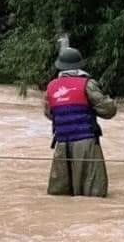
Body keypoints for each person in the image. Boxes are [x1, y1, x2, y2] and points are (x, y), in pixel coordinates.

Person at [44, 46, 117, 197]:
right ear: (79, 65)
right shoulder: (88, 84)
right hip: (85, 144)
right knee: (92, 191)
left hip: (61, 144)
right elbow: (108, 111)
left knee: (61, 194)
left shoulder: (51, 87)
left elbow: (50, 113)